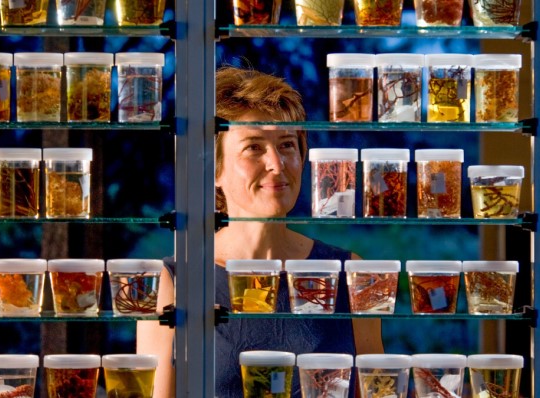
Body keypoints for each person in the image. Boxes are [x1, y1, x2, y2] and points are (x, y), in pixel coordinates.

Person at [137, 66, 384, 398]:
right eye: (254, 147)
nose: (277, 164)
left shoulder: (351, 271)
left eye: (286, 145)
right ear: (215, 169)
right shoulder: (174, 281)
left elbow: (378, 389)